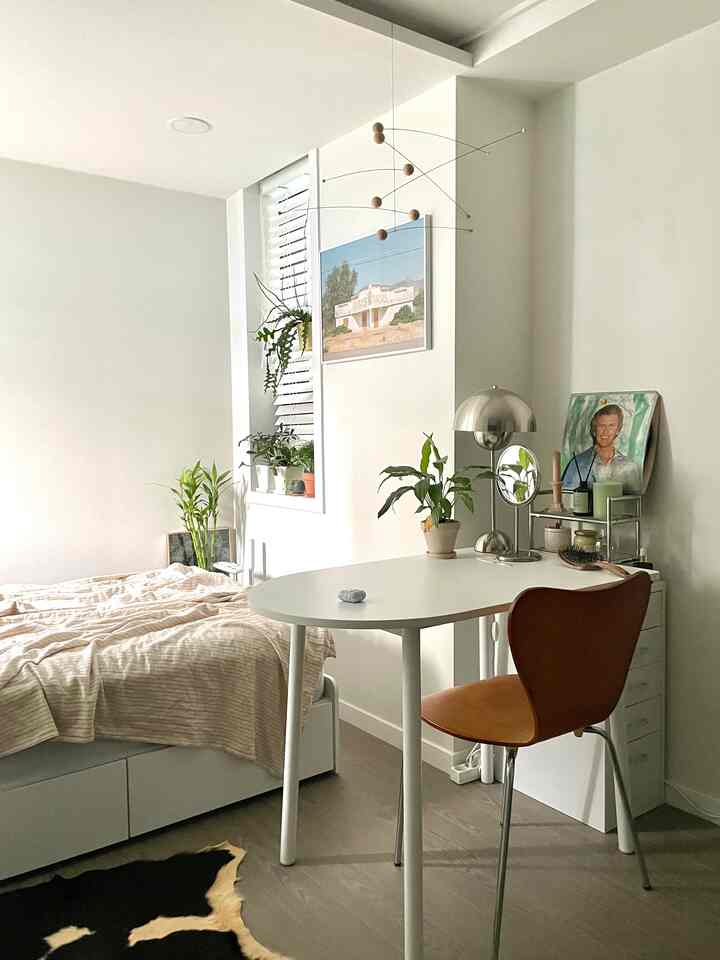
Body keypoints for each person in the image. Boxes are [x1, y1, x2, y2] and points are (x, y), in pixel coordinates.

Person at [563, 403, 642, 493]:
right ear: (594, 430)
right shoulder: (578, 464)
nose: (606, 431)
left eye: (611, 426)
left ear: (618, 430)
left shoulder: (630, 467)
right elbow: (567, 499)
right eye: (601, 426)